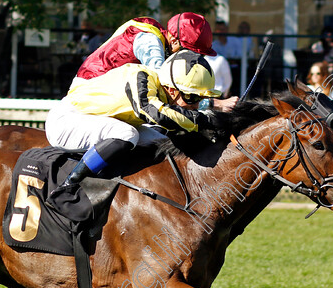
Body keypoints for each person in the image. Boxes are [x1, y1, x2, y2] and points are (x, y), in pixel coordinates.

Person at [45, 50, 223, 196]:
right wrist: (204, 121)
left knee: (160, 141)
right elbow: (155, 113)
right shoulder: (140, 78)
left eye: (201, 98)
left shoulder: (159, 86)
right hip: (66, 121)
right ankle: (70, 185)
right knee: (127, 134)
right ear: (170, 88)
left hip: (98, 119)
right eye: (191, 97)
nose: (196, 105)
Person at [72, 12, 215, 86]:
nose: (193, 59)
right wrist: (211, 103)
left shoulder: (163, 41)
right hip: (88, 89)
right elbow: (165, 83)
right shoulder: (150, 41)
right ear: (174, 41)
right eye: (192, 53)